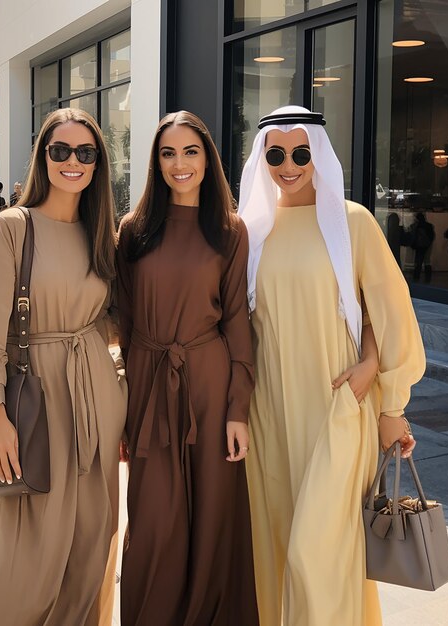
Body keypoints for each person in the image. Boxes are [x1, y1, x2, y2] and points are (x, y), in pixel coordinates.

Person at [238, 106, 426, 626]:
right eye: (276, 155)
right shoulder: (249, 231)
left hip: (340, 410)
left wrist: (391, 400)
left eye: (301, 153)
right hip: (270, 416)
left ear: (318, 153)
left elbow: (388, 311)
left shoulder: (351, 221)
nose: (289, 165)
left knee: (317, 556)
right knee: (278, 548)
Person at [0, 107, 126, 625]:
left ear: (98, 164)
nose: (72, 162)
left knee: (89, 551)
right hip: (32, 408)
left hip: (96, 406)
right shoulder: (14, 227)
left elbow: (112, 323)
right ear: (43, 157)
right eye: (61, 151)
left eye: (85, 153)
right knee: (20, 568)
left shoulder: (102, 234)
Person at [117, 111, 259, 626]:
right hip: (150, 385)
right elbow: (126, 324)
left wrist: (238, 408)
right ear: (156, 162)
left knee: (214, 522)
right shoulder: (133, 231)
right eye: (168, 153)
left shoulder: (230, 230)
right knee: (153, 524)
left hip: (210, 383)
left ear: (208, 159)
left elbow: (238, 319)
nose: (180, 164)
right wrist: (125, 411)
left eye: (191, 152)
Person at [409, 211, 435, 281]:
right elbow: (432, 237)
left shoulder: (415, 226)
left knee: (418, 262)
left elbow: (412, 236)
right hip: (427, 246)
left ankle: (416, 277)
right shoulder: (429, 226)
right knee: (427, 261)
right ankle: (428, 277)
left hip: (419, 246)